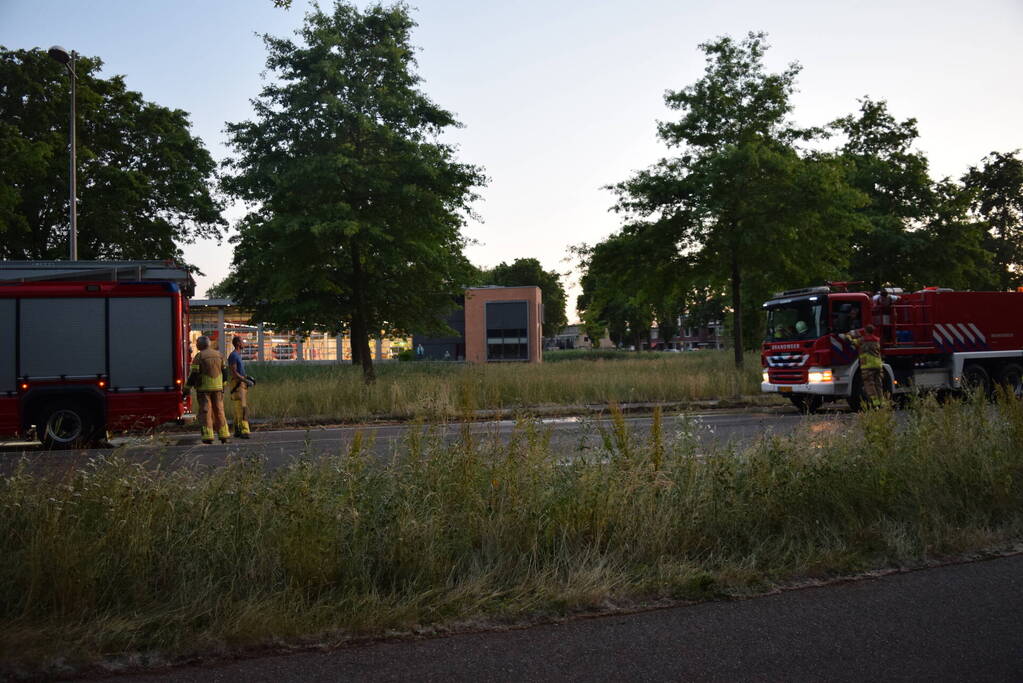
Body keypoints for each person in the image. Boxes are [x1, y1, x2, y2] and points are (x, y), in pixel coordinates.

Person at [188, 335, 230, 444]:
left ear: (201, 345)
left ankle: (208, 436)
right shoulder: (219, 355)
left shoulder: (199, 357)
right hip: (218, 388)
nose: (196, 344)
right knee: (219, 411)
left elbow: (194, 374)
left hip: (204, 389)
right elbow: (225, 372)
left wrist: (186, 388)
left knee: (206, 412)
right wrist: (223, 385)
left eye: (197, 343)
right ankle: (224, 435)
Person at [843, 323, 884, 408]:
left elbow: (850, 341)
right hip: (878, 365)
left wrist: (848, 335)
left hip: (867, 366)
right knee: (878, 384)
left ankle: (875, 403)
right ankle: (882, 402)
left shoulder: (862, 340)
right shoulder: (877, 339)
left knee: (869, 385)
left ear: (865, 331)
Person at [228, 335, 255, 439]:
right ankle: (245, 431)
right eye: (243, 342)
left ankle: (237, 430)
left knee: (238, 409)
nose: (244, 344)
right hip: (238, 385)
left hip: (241, 384)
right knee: (243, 409)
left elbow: (239, 372)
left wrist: (248, 377)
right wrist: (245, 380)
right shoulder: (234, 356)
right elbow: (234, 373)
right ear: (238, 344)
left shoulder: (237, 355)